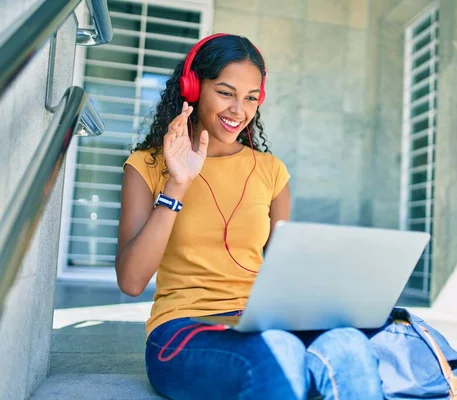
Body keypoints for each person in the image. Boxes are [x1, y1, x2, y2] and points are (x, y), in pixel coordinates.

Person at [116, 33, 384, 400]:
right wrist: (176, 185)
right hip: (183, 330)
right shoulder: (147, 166)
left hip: (261, 321)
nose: (238, 110)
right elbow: (131, 281)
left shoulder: (271, 171)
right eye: (226, 92)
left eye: (251, 98)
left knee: (348, 345)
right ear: (193, 88)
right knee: (279, 352)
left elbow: (283, 270)